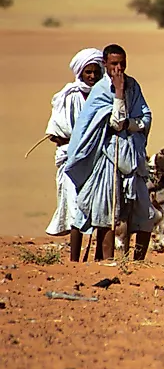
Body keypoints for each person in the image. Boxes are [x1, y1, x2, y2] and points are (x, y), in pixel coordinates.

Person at [64, 44, 154, 263]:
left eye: (122, 63)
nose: (119, 68)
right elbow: (112, 122)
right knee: (106, 212)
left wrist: (130, 124)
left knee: (145, 213)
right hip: (106, 158)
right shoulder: (102, 90)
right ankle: (106, 262)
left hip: (132, 157)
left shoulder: (134, 85)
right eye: (114, 64)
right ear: (105, 64)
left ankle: (138, 263)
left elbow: (145, 117)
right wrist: (119, 93)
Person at [44, 48, 104, 239]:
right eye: (88, 72)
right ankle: (74, 259)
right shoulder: (68, 96)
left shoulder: (105, 95)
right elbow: (55, 133)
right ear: (80, 72)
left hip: (99, 157)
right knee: (74, 205)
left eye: (96, 71)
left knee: (101, 205)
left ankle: (101, 255)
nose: (92, 76)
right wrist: (80, 143)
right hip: (71, 157)